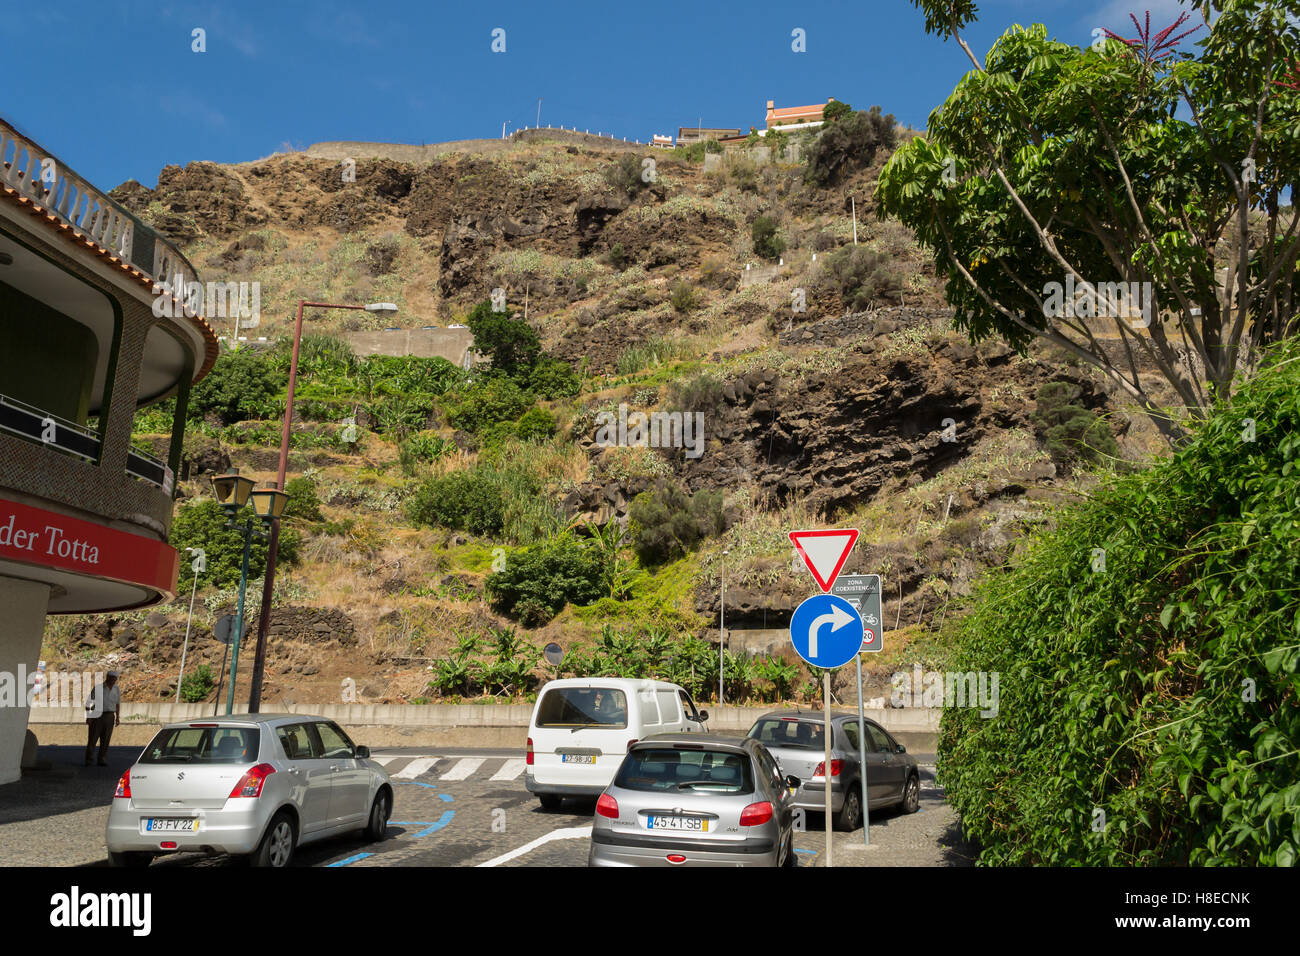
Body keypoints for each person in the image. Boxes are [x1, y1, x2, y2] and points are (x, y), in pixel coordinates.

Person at [84, 671, 121, 767]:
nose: (113, 680)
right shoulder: (98, 688)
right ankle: (89, 759)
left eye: (115, 678)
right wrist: (89, 716)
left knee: (106, 739)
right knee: (93, 738)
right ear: (107, 677)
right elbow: (89, 702)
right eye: (112, 677)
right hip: (97, 715)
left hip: (110, 716)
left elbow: (117, 704)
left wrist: (117, 717)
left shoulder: (116, 689)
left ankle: (102, 758)